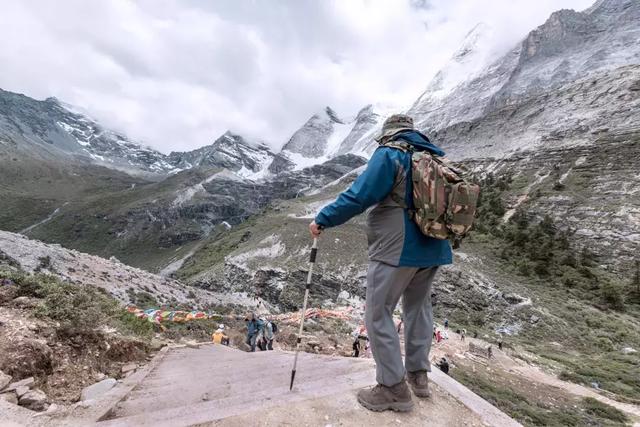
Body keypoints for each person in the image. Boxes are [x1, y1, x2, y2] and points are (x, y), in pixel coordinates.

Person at [309, 114, 453, 412]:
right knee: (418, 309)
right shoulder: (433, 159)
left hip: (397, 248)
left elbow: (359, 196)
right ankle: (418, 376)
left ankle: (392, 388)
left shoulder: (391, 154)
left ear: (388, 134)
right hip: (434, 247)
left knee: (378, 313)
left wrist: (323, 218)